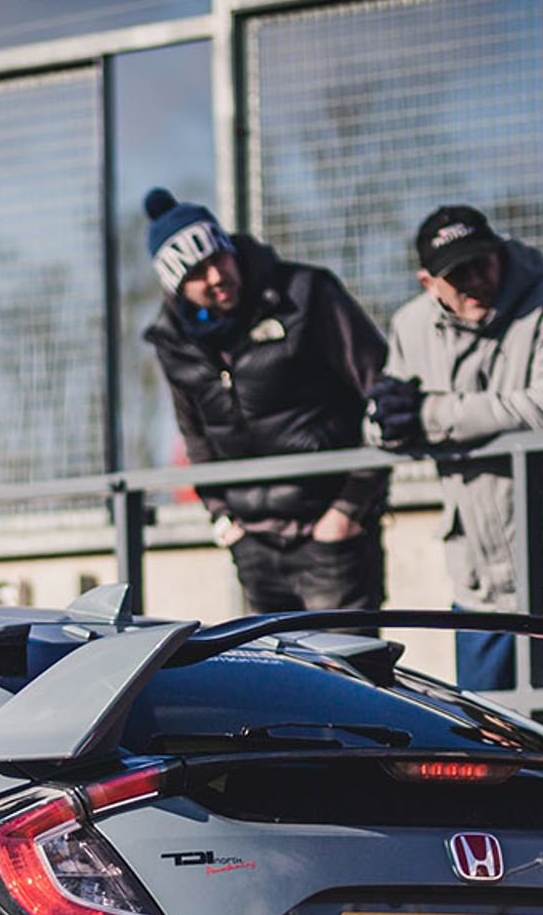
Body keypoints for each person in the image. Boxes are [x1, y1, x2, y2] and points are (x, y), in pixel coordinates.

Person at [372, 203, 543, 699]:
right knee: (492, 764)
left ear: (500, 253)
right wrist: (382, 423)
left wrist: (430, 416)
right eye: (457, 274)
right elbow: (393, 418)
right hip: (481, 593)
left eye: (481, 262)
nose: (474, 279)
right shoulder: (410, 326)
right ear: (428, 283)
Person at [139, 188, 391, 615]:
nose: (216, 277)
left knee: (343, 677)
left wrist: (349, 509)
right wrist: (223, 519)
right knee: (274, 680)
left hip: (332, 534)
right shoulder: (173, 342)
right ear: (176, 286)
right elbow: (194, 435)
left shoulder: (305, 295)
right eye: (197, 272)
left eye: (218, 258)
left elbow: (384, 397)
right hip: (253, 544)